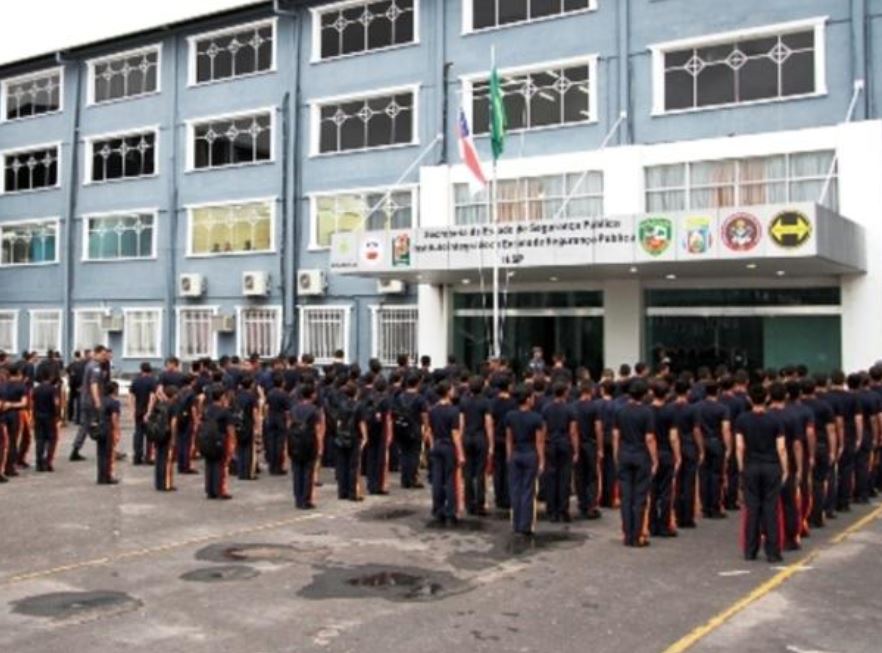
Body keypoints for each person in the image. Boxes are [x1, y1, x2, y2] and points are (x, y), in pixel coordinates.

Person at [734, 384, 788, 563]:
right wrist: (785, 468)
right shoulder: (775, 420)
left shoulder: (742, 420)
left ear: (749, 399)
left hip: (751, 466)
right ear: (767, 398)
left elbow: (739, 446)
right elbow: (781, 448)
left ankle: (750, 550)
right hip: (771, 466)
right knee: (770, 508)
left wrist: (741, 468)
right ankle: (773, 551)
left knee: (752, 508)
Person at [613, 380, 658, 548]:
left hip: (625, 454)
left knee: (626, 497)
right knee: (639, 497)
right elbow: (649, 438)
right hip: (641, 455)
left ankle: (627, 533)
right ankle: (637, 534)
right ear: (644, 395)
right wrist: (654, 458)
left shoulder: (620, 411)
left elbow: (616, 434)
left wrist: (617, 454)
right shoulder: (647, 413)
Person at [505, 386, 546, 537]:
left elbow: (509, 438)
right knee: (528, 490)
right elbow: (539, 442)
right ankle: (525, 525)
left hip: (516, 453)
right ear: (528, 399)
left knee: (515, 489)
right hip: (530, 454)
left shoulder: (510, 416)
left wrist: (509, 455)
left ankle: (516, 523)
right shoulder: (536, 418)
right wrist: (541, 460)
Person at [427, 381, 464, 526]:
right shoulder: (453, 411)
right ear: (448, 392)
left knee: (437, 479)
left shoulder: (432, 410)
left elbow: (429, 430)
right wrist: (460, 452)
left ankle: (438, 509)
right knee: (450, 480)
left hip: (437, 444)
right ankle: (450, 511)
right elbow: (455, 434)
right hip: (449, 446)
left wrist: (432, 445)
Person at [541, 382, 578, 522]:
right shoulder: (570, 409)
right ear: (565, 392)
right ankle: (563, 510)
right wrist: (575, 449)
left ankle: (552, 510)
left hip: (550, 444)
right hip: (564, 444)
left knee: (551, 478)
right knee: (564, 478)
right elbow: (573, 431)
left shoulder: (546, 409)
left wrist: (543, 445)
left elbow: (543, 429)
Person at [696, 381, 732, 519]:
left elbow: (696, 427)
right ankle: (714, 507)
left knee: (704, 475)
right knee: (716, 475)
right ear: (717, 392)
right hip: (716, 442)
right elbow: (725, 429)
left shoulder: (697, 407)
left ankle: (705, 506)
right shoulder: (723, 409)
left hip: (702, 441)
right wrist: (728, 446)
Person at [650, 381, 680, 537]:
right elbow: (673, 437)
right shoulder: (671, 412)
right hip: (666, 452)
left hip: (651, 453)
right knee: (666, 491)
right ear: (667, 394)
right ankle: (664, 525)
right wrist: (677, 455)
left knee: (652, 490)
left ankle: (651, 523)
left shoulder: (647, 411)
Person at [460, 376, 493, 516]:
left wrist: (461, 440)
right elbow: (488, 423)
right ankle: (480, 503)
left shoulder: (464, 401)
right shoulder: (485, 402)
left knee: (467, 472)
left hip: (467, 436)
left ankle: (469, 503)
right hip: (480, 437)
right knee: (480, 472)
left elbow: (461, 423)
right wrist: (491, 444)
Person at [672, 378, 702, 528]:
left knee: (677, 482)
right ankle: (687, 517)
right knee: (689, 483)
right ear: (688, 392)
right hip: (689, 445)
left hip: (674, 446)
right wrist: (700, 448)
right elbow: (696, 430)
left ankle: (676, 513)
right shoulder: (692, 409)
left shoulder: (669, 408)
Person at [289, 384, 323, 509]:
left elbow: (289, 425)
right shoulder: (314, 410)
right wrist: (320, 446)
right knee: (308, 471)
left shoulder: (294, 409)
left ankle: (298, 498)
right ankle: (306, 499)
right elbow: (318, 430)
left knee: (297, 471)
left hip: (295, 441)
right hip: (309, 442)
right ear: (312, 395)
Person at [392, 373, 428, 489]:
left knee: (404, 453)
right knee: (414, 454)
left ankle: (404, 479)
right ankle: (412, 478)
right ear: (418, 383)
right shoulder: (420, 399)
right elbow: (424, 415)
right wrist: (426, 428)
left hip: (401, 428)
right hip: (415, 428)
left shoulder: (400, 397)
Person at [572, 380, 602, 520]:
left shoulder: (573, 406)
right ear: (591, 391)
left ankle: (582, 502)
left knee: (579, 475)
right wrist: (600, 447)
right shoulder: (594, 407)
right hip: (591, 443)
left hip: (578, 444)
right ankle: (591, 505)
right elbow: (598, 428)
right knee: (592, 475)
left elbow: (573, 429)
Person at [200, 386, 235, 500]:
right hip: (220, 439)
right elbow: (230, 428)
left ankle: (210, 490)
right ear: (222, 397)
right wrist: (233, 442)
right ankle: (220, 490)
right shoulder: (225, 411)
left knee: (209, 464)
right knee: (221, 465)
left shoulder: (207, 410)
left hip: (207, 439)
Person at [359, 376, 391, 496]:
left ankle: (371, 484)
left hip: (370, 429)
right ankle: (379, 485)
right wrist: (389, 434)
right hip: (381, 430)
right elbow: (388, 418)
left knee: (371, 457)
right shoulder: (385, 400)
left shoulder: (369, 398)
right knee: (380, 459)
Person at [333, 382, 362, 501]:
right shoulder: (359, 406)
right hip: (354, 435)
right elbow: (361, 423)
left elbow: (338, 422)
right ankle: (352, 492)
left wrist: (339, 433)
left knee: (342, 464)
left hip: (342, 435)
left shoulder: (341, 405)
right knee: (353, 465)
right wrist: (365, 437)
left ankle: (342, 491)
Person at [129, 362, 157, 465]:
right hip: (148, 411)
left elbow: (131, 396)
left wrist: (132, 410)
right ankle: (149, 457)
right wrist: (149, 412)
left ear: (141, 370)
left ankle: (137, 457)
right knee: (150, 434)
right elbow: (152, 397)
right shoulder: (152, 381)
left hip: (138, 410)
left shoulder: (136, 381)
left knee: (138, 433)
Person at [32, 368, 60, 472]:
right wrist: (58, 416)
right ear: (50, 377)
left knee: (40, 440)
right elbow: (56, 403)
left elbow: (32, 403)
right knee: (52, 439)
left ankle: (39, 462)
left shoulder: (36, 389)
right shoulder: (53, 389)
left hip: (38, 416)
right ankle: (48, 462)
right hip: (50, 416)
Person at [151, 386, 178, 492]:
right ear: (173, 395)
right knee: (167, 460)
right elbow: (173, 423)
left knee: (159, 458)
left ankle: (158, 482)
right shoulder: (173, 406)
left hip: (158, 433)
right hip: (167, 434)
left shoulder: (159, 405)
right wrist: (173, 437)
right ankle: (166, 484)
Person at [265, 373, 291, 476]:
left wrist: (266, 417)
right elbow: (287, 411)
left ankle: (271, 466)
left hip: (271, 418)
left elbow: (266, 406)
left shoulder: (270, 393)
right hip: (280, 419)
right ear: (282, 383)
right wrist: (289, 422)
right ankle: (278, 466)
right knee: (280, 444)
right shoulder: (284, 395)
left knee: (271, 443)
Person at [234, 376, 260, 480]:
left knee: (240, 448)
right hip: (248, 424)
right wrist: (257, 426)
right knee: (248, 449)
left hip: (238, 424)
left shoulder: (237, 396)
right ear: (251, 385)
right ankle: (248, 473)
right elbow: (254, 412)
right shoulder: (252, 397)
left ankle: (240, 471)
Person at [97, 381, 121, 485]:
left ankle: (101, 476)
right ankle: (108, 476)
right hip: (108, 428)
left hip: (100, 428)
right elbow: (114, 418)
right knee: (109, 454)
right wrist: (117, 430)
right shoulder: (115, 402)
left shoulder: (101, 401)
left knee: (101, 454)